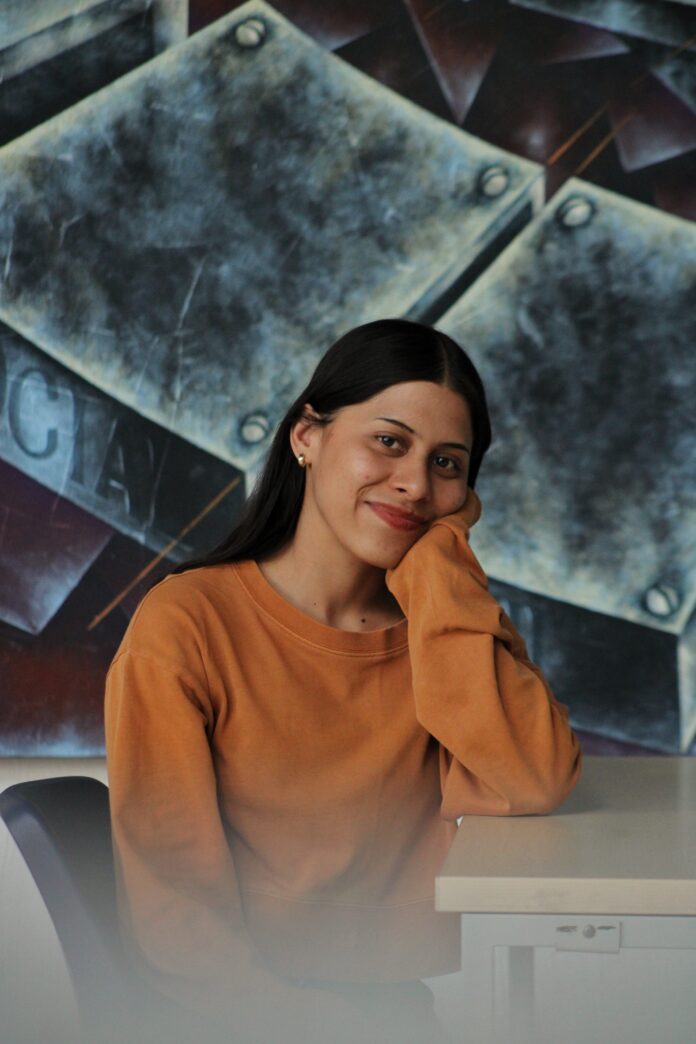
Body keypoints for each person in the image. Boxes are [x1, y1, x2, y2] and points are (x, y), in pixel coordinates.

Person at [104, 318, 582, 1044]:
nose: (415, 484)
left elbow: (534, 777)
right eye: (389, 441)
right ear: (308, 436)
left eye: (447, 464)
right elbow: (176, 920)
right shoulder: (187, 624)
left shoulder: (440, 626)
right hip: (236, 1018)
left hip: (393, 1010)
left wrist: (436, 560)